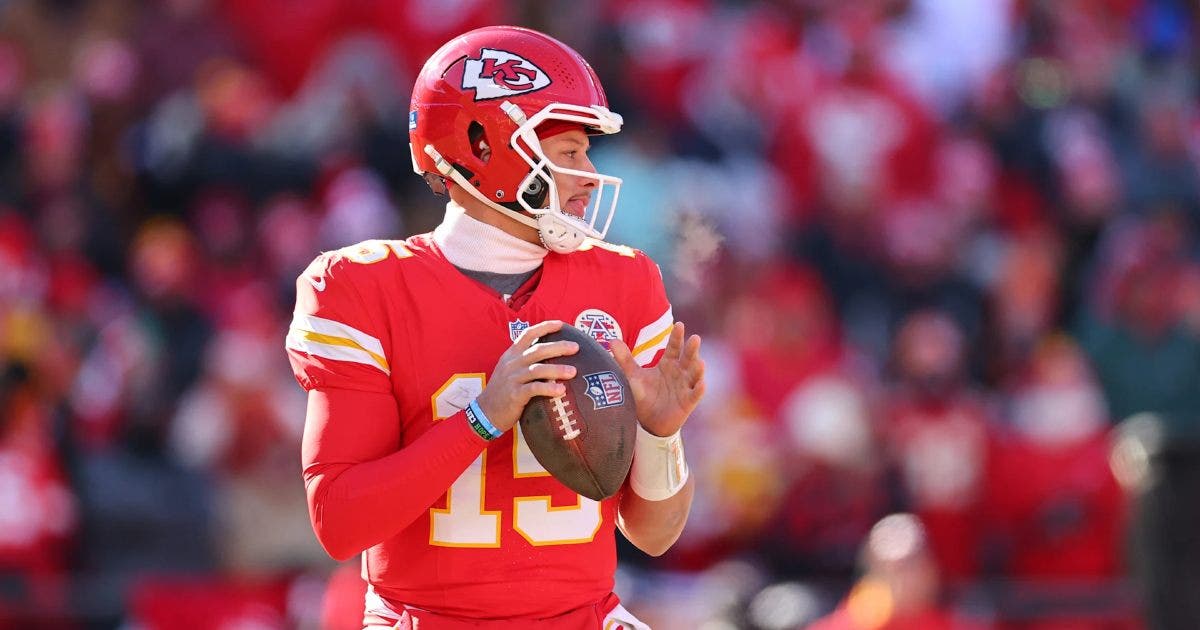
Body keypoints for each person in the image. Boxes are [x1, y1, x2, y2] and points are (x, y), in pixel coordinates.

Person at [285, 25, 706, 629]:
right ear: (484, 146)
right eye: (569, 153)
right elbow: (341, 523)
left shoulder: (625, 280)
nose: (589, 174)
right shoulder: (363, 285)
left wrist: (662, 436)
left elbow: (655, 535)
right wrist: (482, 417)